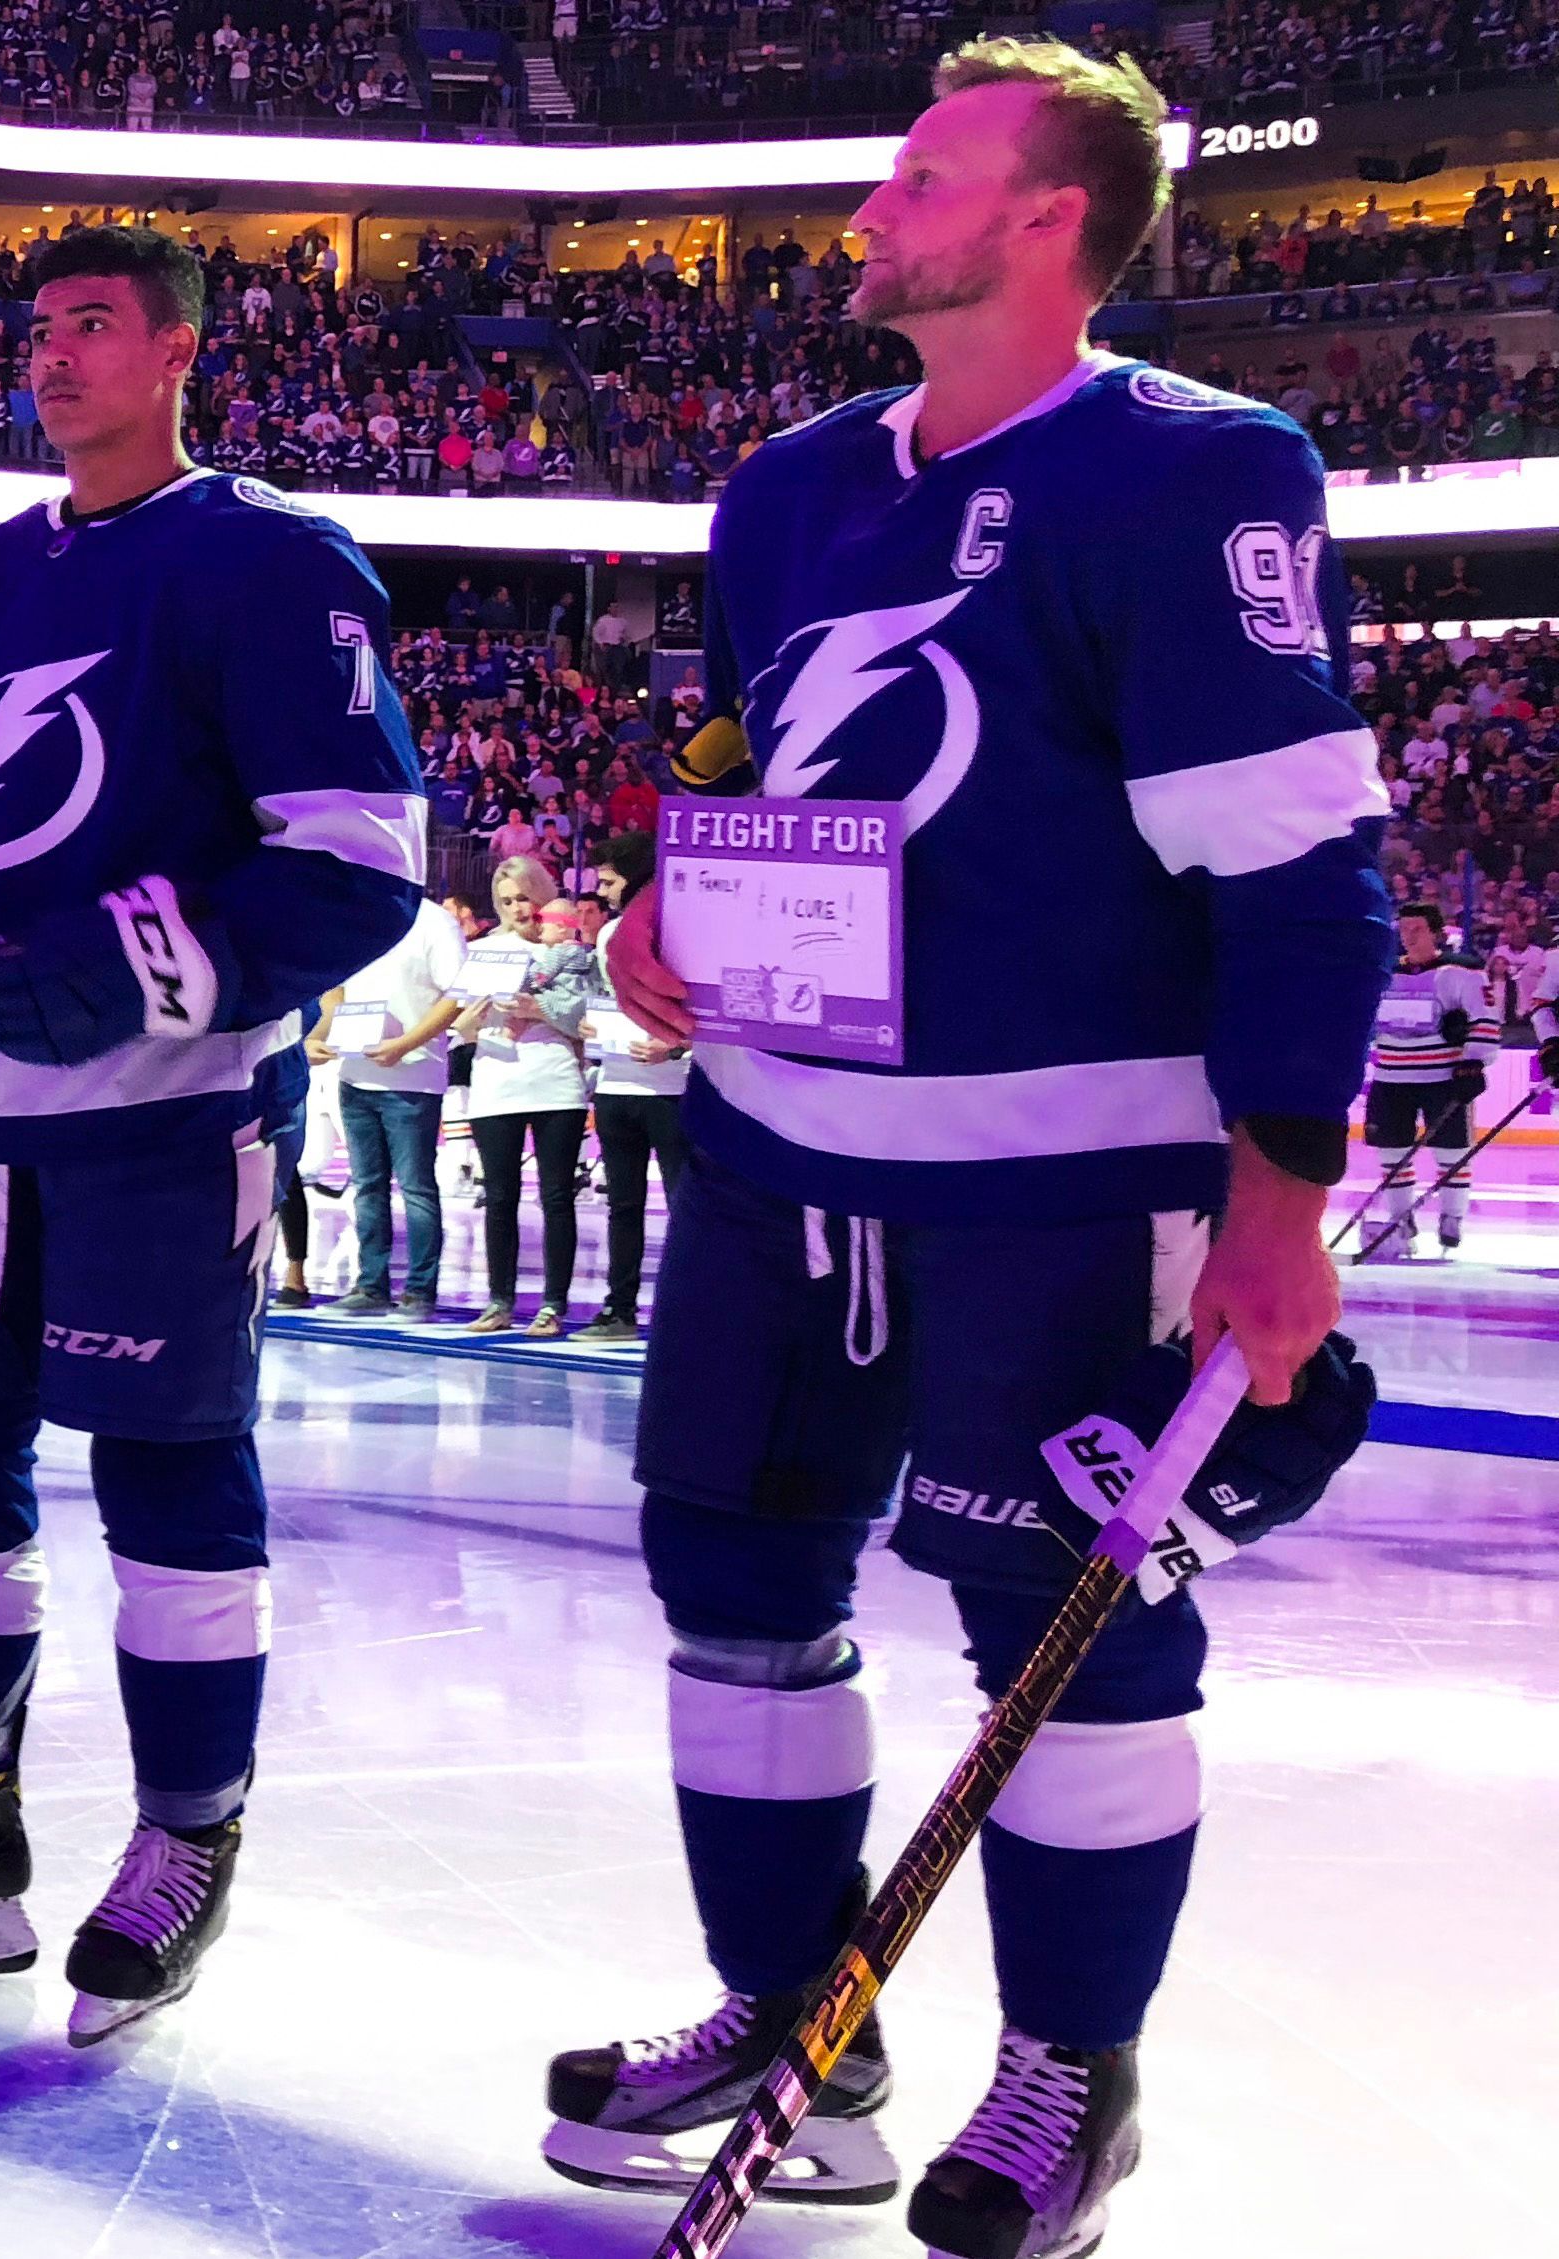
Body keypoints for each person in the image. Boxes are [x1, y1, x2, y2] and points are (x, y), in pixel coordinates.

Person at [562, 46, 1391, 2259]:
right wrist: (665, 911)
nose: (863, 214)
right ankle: (789, 2031)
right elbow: (753, 764)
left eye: (917, 177)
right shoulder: (782, 488)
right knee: (728, 1589)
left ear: (1047, 218)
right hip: (768, 1156)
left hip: (1061, 1179)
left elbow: (1300, 868)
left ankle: (1069, 2077)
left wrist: (1278, 1197)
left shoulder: (1196, 472)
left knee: (1067, 1629)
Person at [0, 226, 424, 2046]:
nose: (50, 358)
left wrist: (150, 972)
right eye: (35, 328)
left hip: (164, 1124)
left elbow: (361, 860)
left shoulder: (266, 556)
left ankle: (183, 1835)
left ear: (173, 353)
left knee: (166, 1475)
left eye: (89, 327)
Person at [452, 854, 597, 1336]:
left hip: (555, 1082)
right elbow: (463, 1025)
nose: (518, 908)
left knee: (557, 1197)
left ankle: (554, 1304)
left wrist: (538, 1010)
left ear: (543, 898)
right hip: (496, 1083)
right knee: (498, 1198)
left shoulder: (569, 950)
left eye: (526, 898)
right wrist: (470, 1023)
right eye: (508, 900)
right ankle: (499, 1302)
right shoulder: (482, 952)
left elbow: (581, 1018)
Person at [316, 890, 461, 1317]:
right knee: (367, 1187)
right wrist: (321, 1034)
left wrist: (406, 1043)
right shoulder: (358, 911)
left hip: (413, 1075)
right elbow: (334, 988)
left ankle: (419, 1290)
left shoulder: (435, 923)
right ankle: (370, 1285)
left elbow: (459, 995)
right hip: (357, 1074)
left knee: (415, 1187)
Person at [570, 834, 689, 1340]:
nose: (603, 891)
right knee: (623, 1204)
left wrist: (679, 1045)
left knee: (686, 1205)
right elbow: (608, 1001)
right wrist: (588, 1027)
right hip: (618, 1083)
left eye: (610, 881)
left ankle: (689, 1313)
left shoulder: (685, 928)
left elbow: (703, 1008)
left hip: (673, 1089)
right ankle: (619, 1309)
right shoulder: (608, 935)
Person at [1351, 901, 1487, 1259]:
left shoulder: (1460, 973)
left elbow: (1484, 1020)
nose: (1408, 937)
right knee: (1392, 1152)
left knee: (1452, 1151)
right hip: (1390, 1077)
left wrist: (1474, 1062)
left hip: (1442, 1077)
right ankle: (1400, 1221)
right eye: (1404, 929)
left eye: (1417, 930)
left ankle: (1452, 1218)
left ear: (1435, 933)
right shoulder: (1384, 973)